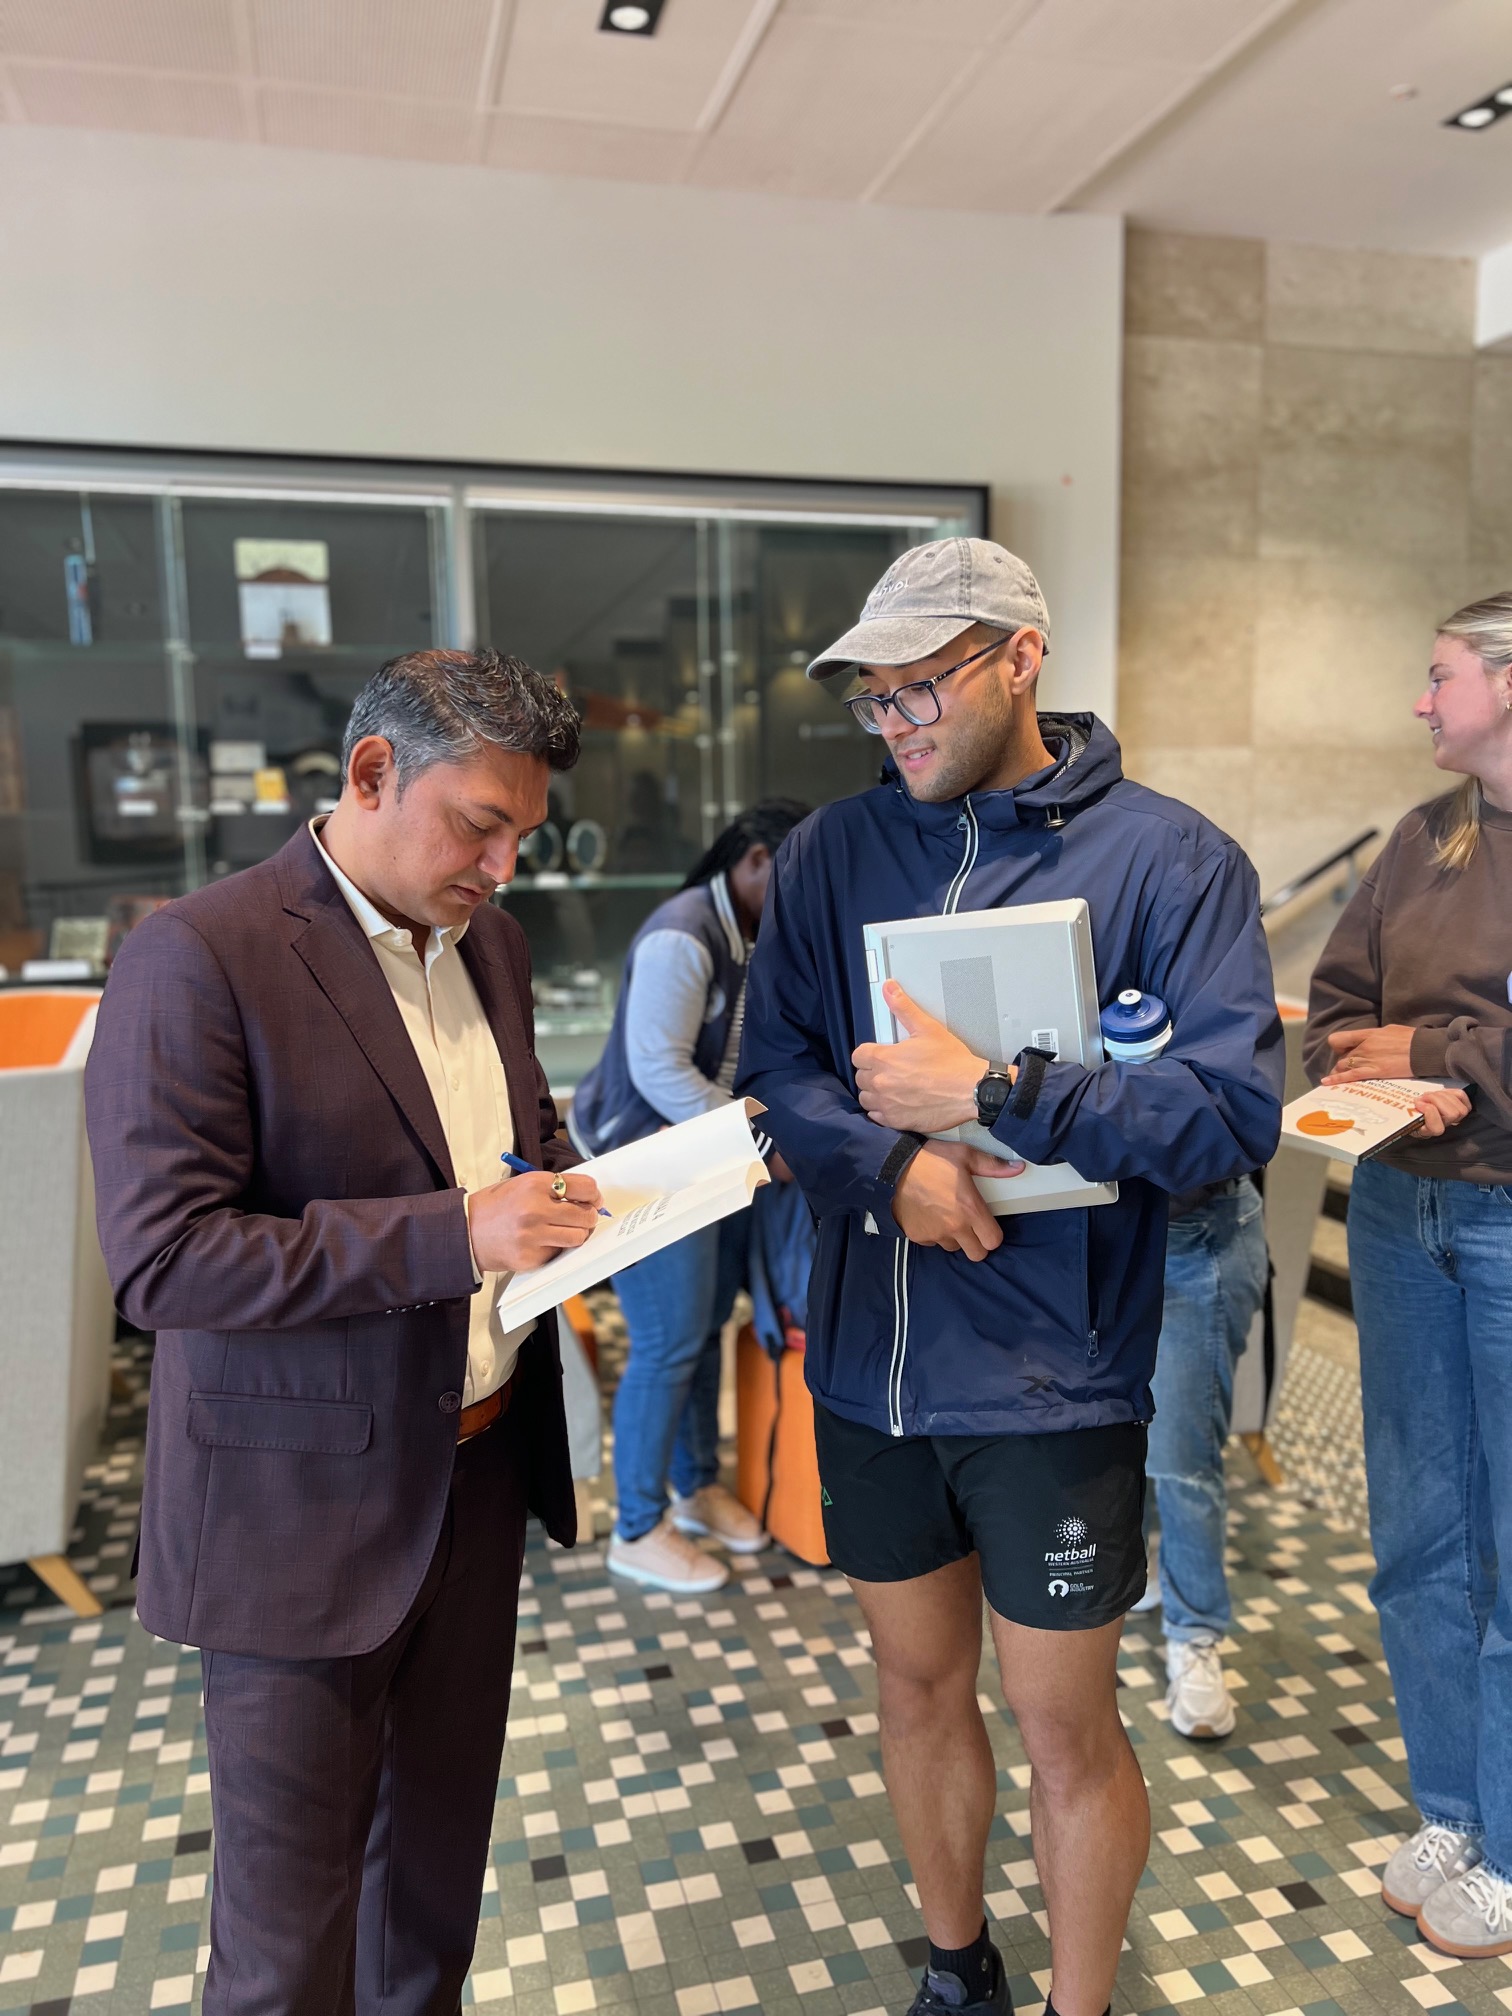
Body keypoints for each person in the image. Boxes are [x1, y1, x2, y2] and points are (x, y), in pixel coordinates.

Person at [738, 538, 1283, 2016]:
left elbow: (1233, 1118)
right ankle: (959, 1967)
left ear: (1020, 659)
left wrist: (1002, 1090)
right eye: (875, 699)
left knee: (1066, 1726)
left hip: (1056, 1376)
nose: (898, 720)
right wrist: (891, 1169)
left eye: (923, 686)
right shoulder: (835, 855)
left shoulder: (1172, 861)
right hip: (870, 1365)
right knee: (914, 1690)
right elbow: (772, 1069)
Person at [84, 648, 604, 2016]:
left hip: (474, 1477)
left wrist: (575, 1187)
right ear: (371, 773)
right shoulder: (198, 956)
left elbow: (507, 1138)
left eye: (523, 836)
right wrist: (458, 1231)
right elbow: (165, 1257)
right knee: (284, 1948)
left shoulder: (489, 941)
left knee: (429, 1897)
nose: (502, 866)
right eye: (478, 825)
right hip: (292, 1512)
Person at [1305, 591, 1512, 1962]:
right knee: (1420, 1533)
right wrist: (1373, 1066)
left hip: (1504, 1222)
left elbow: (1433, 1049)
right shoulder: (1421, 840)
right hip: (1397, 1210)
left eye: (1441, 677)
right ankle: (1454, 1804)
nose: (1423, 704)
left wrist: (1446, 1069)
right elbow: (1336, 999)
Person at [570, 799, 808, 1592]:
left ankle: (696, 1486)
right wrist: (761, 1144)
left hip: (701, 1158)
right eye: (792, 874)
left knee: (705, 1326)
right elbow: (660, 1070)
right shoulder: (683, 932)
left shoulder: (750, 932)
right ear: (753, 859)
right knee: (668, 1341)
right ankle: (636, 1527)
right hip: (646, 1165)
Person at [1136, 1178, 1269, 1739]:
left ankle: (1195, 1634)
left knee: (1181, 1457)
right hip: (1083, 1229)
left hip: (1190, 1233)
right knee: (1104, 1431)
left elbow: (1229, 1122)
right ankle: (1133, 1567)